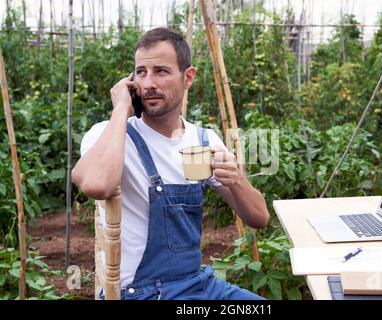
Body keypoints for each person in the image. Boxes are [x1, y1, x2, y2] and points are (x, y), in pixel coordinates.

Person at [72, 27, 270, 300]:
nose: (149, 83)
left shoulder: (203, 140)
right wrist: (121, 110)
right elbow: (97, 185)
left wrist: (235, 179)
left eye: (161, 71)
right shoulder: (109, 135)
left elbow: (259, 218)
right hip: (138, 294)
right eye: (141, 72)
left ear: (188, 77)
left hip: (196, 287)